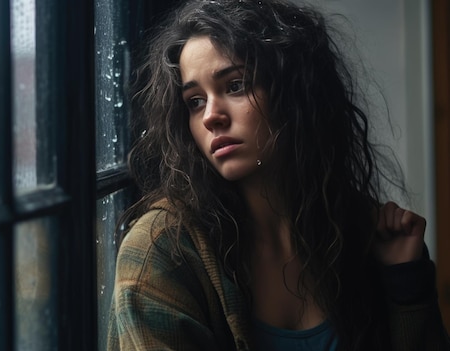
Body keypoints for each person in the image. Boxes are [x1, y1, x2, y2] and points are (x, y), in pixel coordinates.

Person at [106, 0, 450, 350]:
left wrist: (406, 284)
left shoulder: (362, 230)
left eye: (236, 85)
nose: (211, 116)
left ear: (296, 94)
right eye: (195, 101)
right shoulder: (162, 251)